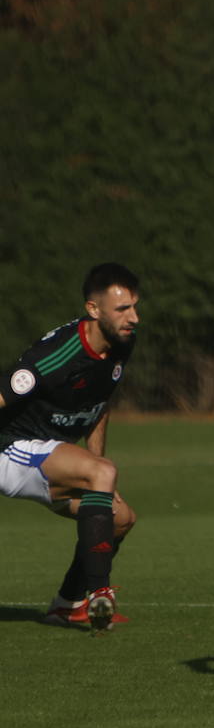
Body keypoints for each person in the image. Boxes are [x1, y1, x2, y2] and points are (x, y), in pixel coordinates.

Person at [0, 262, 141, 631]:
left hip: (47, 455)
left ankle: (68, 604)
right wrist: (98, 471)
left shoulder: (121, 343)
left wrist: (96, 468)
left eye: (135, 306)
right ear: (93, 310)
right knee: (102, 474)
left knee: (120, 519)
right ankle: (100, 594)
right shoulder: (56, 356)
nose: (134, 317)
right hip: (9, 450)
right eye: (123, 309)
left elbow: (98, 405)